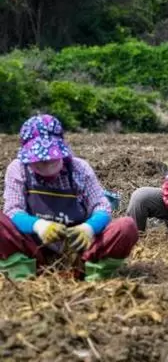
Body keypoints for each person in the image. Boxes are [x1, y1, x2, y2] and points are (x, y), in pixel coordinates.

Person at [0, 115, 139, 281]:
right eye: (39, 159)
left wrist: (89, 228)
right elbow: (13, 210)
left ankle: (93, 273)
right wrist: (38, 225)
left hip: (79, 251)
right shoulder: (18, 169)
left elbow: (101, 206)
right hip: (35, 251)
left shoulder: (80, 168)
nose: (47, 163)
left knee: (126, 226)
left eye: (52, 157)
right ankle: (22, 274)